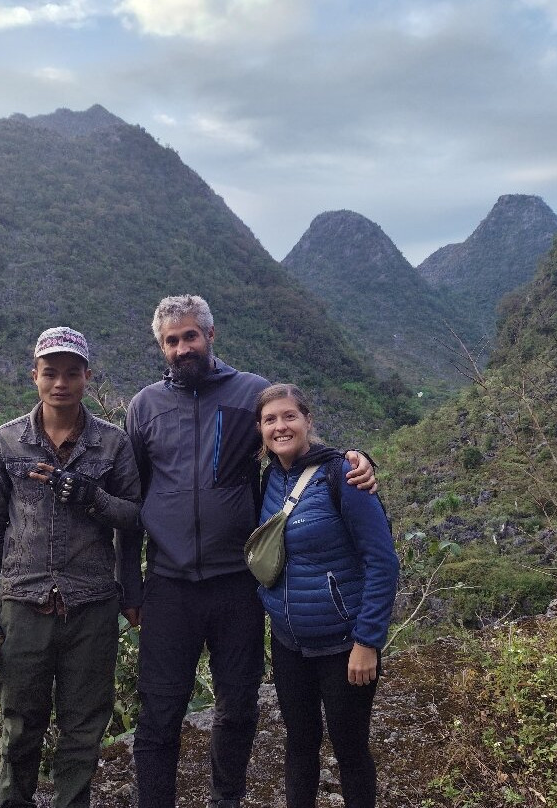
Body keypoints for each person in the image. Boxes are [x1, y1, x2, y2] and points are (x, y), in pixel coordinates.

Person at [115, 295, 377, 808]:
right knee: (160, 713)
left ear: (211, 335)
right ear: (161, 347)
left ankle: (226, 801)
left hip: (237, 583)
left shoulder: (249, 392)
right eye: (171, 340)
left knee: (237, 707)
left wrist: (357, 459)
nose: (182, 348)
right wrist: (130, 583)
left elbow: (292, 442)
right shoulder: (144, 407)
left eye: (191, 336)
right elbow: (131, 498)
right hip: (168, 584)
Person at [0, 326, 142, 808]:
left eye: (71, 372)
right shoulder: (5, 442)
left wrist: (93, 497)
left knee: (83, 726)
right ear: (35, 376)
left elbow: (135, 516)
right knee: (19, 723)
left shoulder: (112, 444)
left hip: (91, 604)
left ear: (87, 377)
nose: (60, 383)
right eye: (50, 373)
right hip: (23, 602)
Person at [254, 383, 399, 808]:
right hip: (289, 643)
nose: (280, 426)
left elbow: (382, 562)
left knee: (350, 748)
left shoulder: (344, 476)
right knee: (299, 744)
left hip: (343, 645)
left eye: (289, 416)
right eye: (270, 419)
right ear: (260, 430)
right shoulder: (269, 479)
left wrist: (367, 642)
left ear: (307, 420)